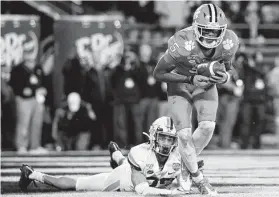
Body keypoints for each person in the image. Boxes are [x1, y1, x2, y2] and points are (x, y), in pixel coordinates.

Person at [153, 3, 239, 195]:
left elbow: (229, 67)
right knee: (183, 134)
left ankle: (183, 164)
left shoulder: (229, 41)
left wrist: (225, 77)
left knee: (208, 127)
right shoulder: (182, 41)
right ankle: (197, 176)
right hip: (180, 83)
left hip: (206, 85)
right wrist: (189, 78)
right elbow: (158, 73)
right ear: (195, 27)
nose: (210, 36)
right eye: (206, 31)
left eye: (215, 32)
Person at [18, 116, 203, 195]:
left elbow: (188, 179)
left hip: (132, 169)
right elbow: (143, 190)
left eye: (170, 140)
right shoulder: (139, 152)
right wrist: (171, 192)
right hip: (122, 181)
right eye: (162, 138)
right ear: (153, 136)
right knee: (79, 184)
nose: (166, 144)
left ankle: (115, 153)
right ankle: (33, 174)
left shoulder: (178, 156)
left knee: (125, 163)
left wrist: (192, 173)